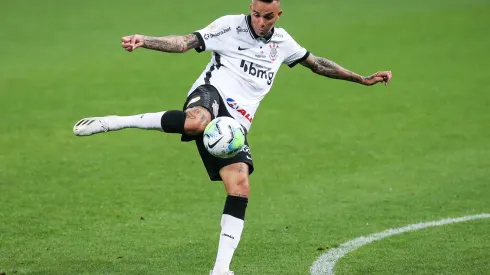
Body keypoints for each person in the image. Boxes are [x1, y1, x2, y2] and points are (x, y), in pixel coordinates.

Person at [73, 0, 392, 274]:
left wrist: (361, 79)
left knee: (240, 186)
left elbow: (317, 63)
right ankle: (116, 122)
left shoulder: (282, 43)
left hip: (236, 124)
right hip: (211, 94)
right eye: (255, 13)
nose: (260, 21)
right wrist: (146, 39)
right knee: (196, 122)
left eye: (268, 16)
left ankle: (221, 268)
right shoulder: (229, 26)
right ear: (250, 8)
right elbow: (184, 42)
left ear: (279, 15)